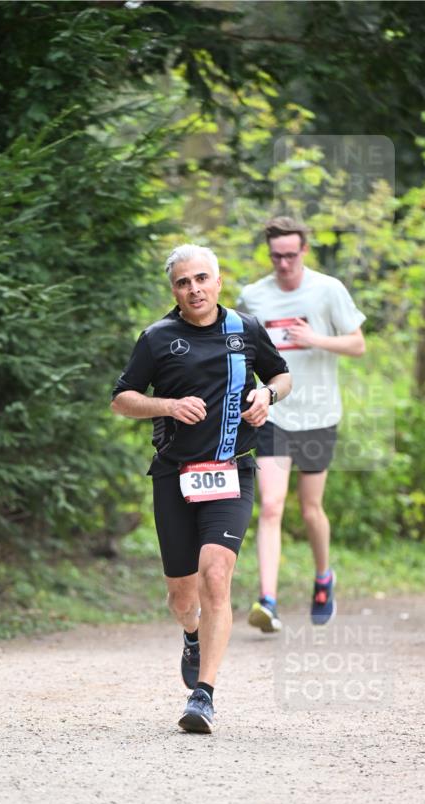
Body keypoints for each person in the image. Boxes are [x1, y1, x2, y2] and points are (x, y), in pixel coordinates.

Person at [111, 244, 291, 733]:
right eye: (183, 282)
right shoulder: (156, 338)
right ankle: (191, 633)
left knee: (217, 575)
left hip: (232, 470)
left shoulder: (245, 329)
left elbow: (281, 374)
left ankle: (203, 695)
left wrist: (266, 395)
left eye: (201, 279)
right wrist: (167, 406)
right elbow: (122, 399)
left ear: (217, 280)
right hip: (175, 474)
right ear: (174, 290)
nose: (194, 289)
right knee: (180, 596)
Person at [237, 217, 366, 633]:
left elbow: (358, 343)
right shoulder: (254, 296)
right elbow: (242, 352)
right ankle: (268, 600)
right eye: (277, 256)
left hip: (318, 415)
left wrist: (316, 340)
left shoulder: (328, 290)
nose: (284, 264)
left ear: (304, 251)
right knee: (271, 506)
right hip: (274, 412)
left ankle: (323, 577)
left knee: (310, 509)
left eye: (291, 255)